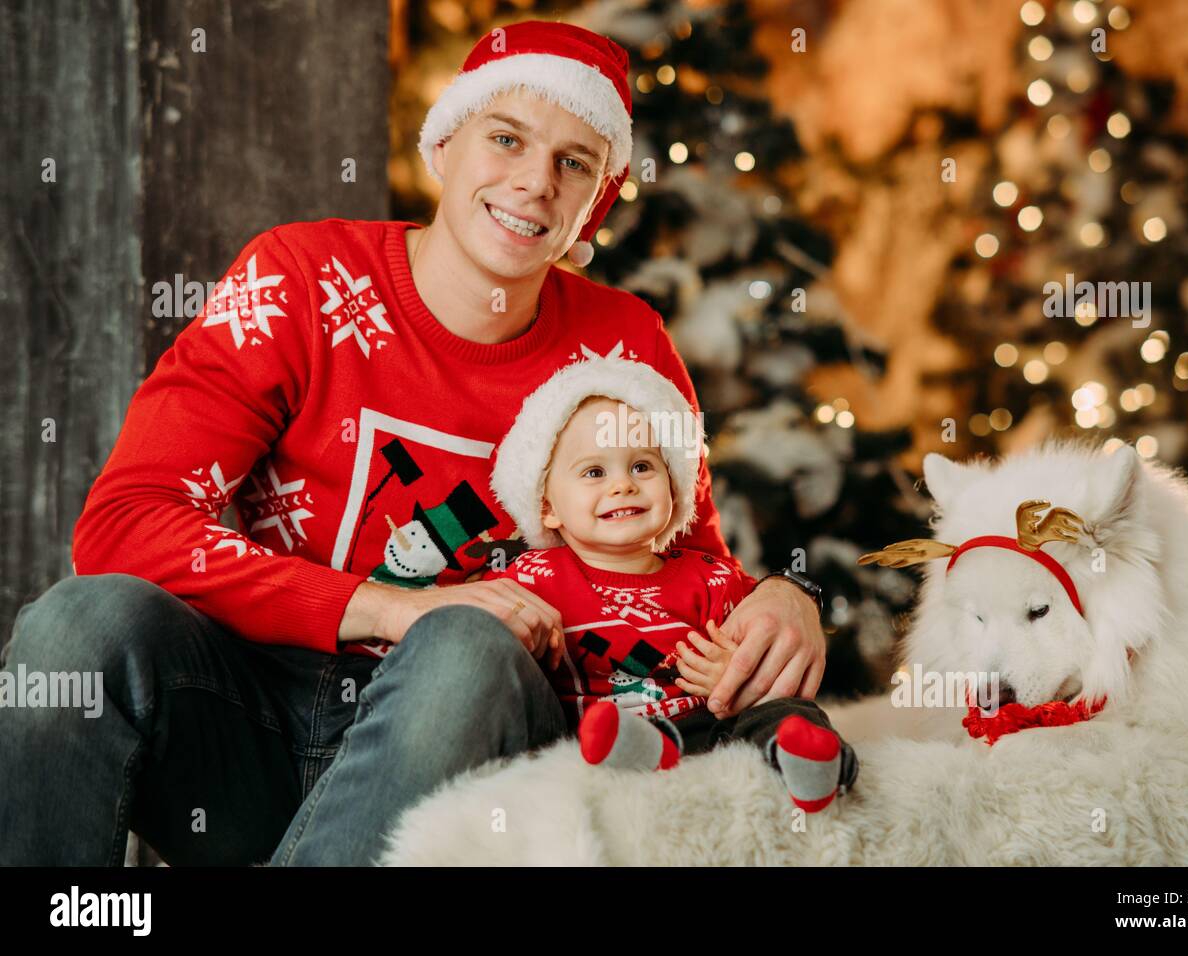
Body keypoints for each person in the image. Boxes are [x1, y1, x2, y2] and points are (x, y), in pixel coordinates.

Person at [0, 20, 825, 867]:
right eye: (506, 138)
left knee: (466, 644)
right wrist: (392, 607)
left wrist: (783, 600)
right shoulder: (302, 279)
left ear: (595, 203)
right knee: (77, 623)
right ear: (445, 144)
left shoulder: (624, 342)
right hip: (247, 723)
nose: (535, 182)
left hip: (466, 752)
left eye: (574, 162)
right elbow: (126, 522)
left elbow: (679, 561)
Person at [482, 357, 858, 811]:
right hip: (597, 734)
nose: (623, 485)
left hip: (712, 729)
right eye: (594, 472)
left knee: (780, 708)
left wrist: (733, 674)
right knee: (602, 736)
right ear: (547, 508)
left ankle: (809, 761)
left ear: (674, 486)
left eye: (642, 466)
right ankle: (644, 753)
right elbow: (481, 637)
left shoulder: (711, 577)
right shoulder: (532, 578)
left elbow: (764, 650)